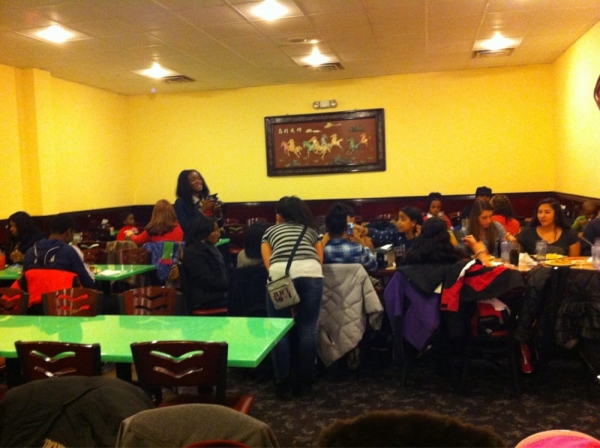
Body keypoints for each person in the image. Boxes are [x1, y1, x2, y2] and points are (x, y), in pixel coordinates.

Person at [261, 196, 323, 399]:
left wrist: (282, 283)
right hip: (311, 272)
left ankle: (282, 381)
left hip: (281, 274)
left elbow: (268, 262)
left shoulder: (270, 231)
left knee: (279, 329)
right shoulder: (312, 231)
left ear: (279, 215)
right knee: (308, 327)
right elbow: (319, 259)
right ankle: (305, 380)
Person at [22, 213, 95, 288]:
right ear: (68, 233)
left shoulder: (30, 252)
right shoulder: (70, 252)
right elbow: (88, 282)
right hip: (63, 295)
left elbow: (24, 285)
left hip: (35, 295)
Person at [180, 214, 228, 311]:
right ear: (203, 233)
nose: (218, 233)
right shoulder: (193, 253)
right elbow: (207, 281)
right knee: (241, 302)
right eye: (214, 231)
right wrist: (229, 285)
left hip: (216, 293)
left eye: (218, 230)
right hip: (205, 299)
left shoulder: (210, 247)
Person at [323, 203, 377, 273]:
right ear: (347, 226)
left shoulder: (323, 252)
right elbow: (373, 266)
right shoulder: (358, 249)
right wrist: (360, 241)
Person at [174, 169, 222, 235]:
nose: (198, 181)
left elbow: (220, 225)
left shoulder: (207, 199)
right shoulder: (181, 203)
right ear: (185, 184)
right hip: (195, 240)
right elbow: (187, 228)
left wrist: (217, 214)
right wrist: (201, 210)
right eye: (193, 180)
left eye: (199, 179)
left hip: (214, 238)